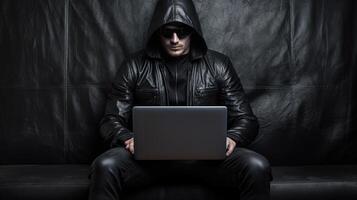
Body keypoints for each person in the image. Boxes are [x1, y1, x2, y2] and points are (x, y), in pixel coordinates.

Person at [88, 0, 272, 199]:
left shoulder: (219, 65)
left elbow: (247, 120)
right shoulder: (134, 66)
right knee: (105, 165)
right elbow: (110, 120)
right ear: (158, 33)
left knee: (256, 165)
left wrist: (232, 137)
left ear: (193, 32)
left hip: (208, 163)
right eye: (167, 32)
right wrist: (127, 138)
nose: (174, 39)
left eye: (182, 32)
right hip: (148, 163)